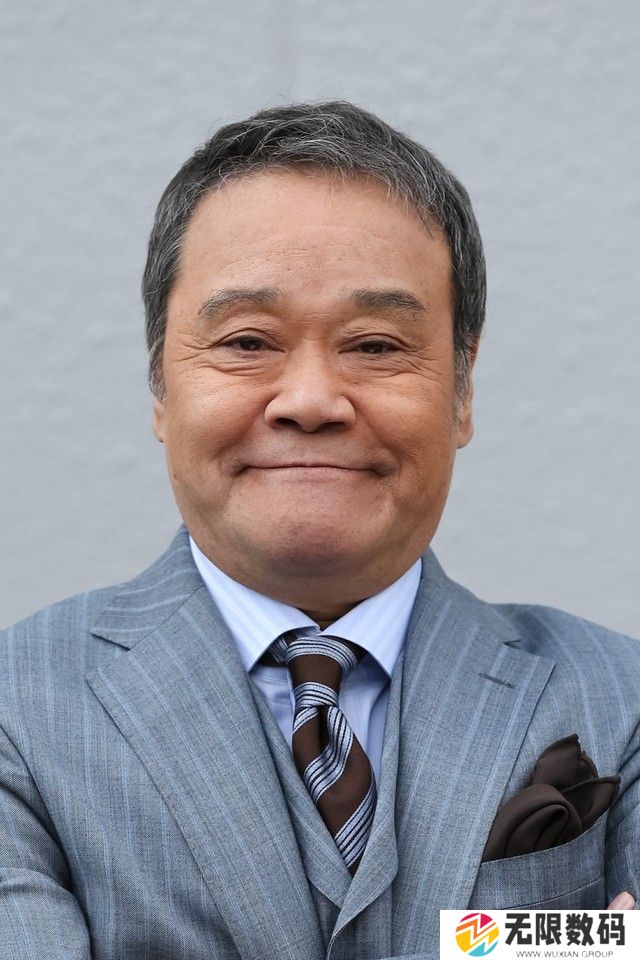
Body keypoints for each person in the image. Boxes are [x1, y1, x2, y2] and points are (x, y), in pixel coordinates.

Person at [0, 101, 637, 960]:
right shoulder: (17, 709)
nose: (309, 401)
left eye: (375, 346)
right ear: (160, 387)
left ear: (463, 390)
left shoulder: (620, 700)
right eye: (247, 341)